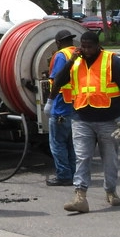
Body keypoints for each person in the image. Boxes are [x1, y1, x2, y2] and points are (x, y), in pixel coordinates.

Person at [50, 30, 120, 213]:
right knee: (82, 157)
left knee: (110, 159)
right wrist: (71, 61)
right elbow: (58, 81)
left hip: (109, 120)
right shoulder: (75, 62)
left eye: (90, 47)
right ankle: (80, 196)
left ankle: (111, 191)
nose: (87, 50)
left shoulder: (112, 61)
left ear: (98, 46)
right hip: (81, 119)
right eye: (84, 46)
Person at [45, 30, 78, 186]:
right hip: (77, 107)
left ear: (58, 43)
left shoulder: (60, 56)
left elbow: (57, 82)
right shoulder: (79, 54)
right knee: (72, 145)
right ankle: (73, 173)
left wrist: (50, 101)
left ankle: (64, 176)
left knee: (58, 144)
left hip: (61, 108)